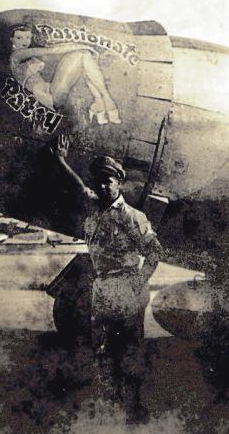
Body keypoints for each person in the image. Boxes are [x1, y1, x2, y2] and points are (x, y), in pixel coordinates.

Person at [51, 134, 163, 416]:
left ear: (119, 183)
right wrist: (60, 160)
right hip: (102, 288)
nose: (102, 185)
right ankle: (111, 404)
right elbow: (78, 187)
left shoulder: (131, 216)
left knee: (129, 350)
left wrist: (139, 280)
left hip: (126, 287)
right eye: (99, 181)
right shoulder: (94, 205)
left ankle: (135, 406)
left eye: (108, 181)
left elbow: (154, 251)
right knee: (103, 350)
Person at [10, 25, 121, 123]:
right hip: (51, 97)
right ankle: (107, 101)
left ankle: (98, 104)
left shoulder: (22, 56)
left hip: (51, 92)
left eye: (27, 37)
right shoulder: (16, 55)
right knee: (83, 54)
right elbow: (53, 50)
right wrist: (84, 46)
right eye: (19, 38)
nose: (24, 41)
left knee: (85, 63)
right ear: (11, 39)